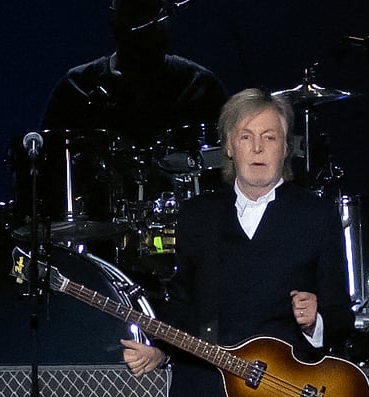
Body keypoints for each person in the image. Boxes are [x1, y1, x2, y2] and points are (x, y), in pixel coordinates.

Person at [121, 87, 358, 397]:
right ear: (228, 146)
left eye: (269, 138)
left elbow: (342, 315)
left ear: (286, 147)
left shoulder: (313, 215)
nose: (256, 148)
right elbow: (183, 304)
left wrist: (315, 318)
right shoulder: (198, 216)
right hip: (207, 396)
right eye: (246, 137)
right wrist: (161, 347)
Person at [27, 0, 228, 265]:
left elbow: (228, 170)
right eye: (134, 14)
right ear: (114, 18)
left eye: (151, 14)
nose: (142, 27)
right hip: (96, 251)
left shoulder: (200, 87)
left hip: (190, 248)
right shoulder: (77, 88)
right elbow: (44, 175)